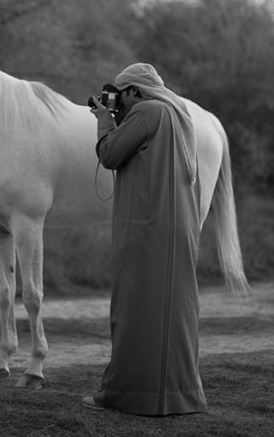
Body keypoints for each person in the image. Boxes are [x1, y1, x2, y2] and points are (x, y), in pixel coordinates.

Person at [83, 63, 208, 416]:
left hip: (146, 228)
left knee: (135, 309)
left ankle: (124, 394)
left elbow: (109, 154)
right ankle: (181, 394)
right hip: (177, 229)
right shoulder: (177, 114)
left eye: (120, 95)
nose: (118, 102)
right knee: (173, 312)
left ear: (135, 91)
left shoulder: (146, 112)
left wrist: (104, 118)